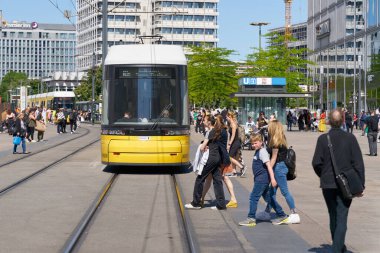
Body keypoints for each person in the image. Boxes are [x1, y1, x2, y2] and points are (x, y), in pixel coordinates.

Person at [312, 108, 365, 253]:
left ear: (328, 121)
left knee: (333, 215)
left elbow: (316, 162)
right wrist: (360, 185)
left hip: (327, 184)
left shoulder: (323, 139)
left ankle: (338, 246)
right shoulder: (350, 138)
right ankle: (337, 248)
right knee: (342, 217)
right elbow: (358, 163)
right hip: (346, 183)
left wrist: (323, 175)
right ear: (342, 120)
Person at [261, 120, 301, 225]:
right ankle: (267, 211)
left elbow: (273, 158)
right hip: (280, 167)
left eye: (269, 127)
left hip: (279, 168)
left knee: (284, 191)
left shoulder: (275, 141)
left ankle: (294, 213)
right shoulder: (281, 138)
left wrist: (268, 169)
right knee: (272, 192)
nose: (268, 128)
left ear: (273, 128)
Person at [185, 114, 227, 210]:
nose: (203, 121)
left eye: (204, 120)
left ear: (209, 122)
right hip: (217, 158)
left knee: (200, 178)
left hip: (211, 159)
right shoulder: (217, 131)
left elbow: (203, 147)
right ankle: (221, 204)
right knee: (217, 180)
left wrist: (202, 147)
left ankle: (196, 203)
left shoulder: (210, 132)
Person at [238, 133, 277, 227]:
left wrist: (272, 179)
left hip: (262, 179)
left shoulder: (262, 152)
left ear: (261, 142)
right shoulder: (258, 151)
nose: (253, 145)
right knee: (268, 198)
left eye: (255, 143)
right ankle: (281, 213)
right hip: (260, 179)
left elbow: (269, 166)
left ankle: (251, 218)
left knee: (253, 198)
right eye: (252, 143)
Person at [226, 111, 247, 177]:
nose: (226, 118)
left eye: (226, 117)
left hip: (236, 142)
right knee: (233, 157)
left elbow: (233, 135)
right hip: (234, 142)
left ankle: (242, 167)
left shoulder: (233, 124)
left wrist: (229, 144)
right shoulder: (231, 124)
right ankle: (234, 172)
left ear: (230, 117)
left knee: (229, 157)